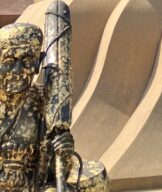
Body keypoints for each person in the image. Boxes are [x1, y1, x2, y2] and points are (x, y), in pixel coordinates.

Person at [0, 22, 108, 192]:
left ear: (38, 63)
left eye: (27, 61)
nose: (18, 70)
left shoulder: (42, 101)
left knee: (96, 180)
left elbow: (49, 171)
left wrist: (62, 151)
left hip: (31, 185)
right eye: (9, 61)